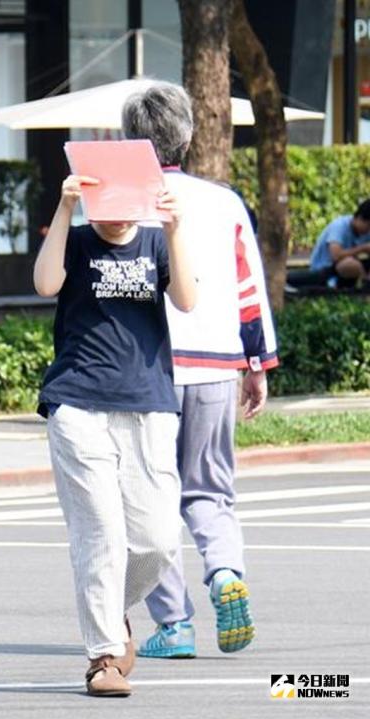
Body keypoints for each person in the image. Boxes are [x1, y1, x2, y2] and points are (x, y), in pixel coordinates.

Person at [121, 83, 279, 660]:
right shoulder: (225, 202)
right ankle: (225, 573)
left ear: (129, 139)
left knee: (150, 502)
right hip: (217, 363)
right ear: (187, 135)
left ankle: (175, 624)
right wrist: (256, 364)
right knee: (210, 492)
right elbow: (249, 289)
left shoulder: (121, 201)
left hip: (147, 370)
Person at [34, 170, 197, 697]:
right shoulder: (78, 241)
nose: (117, 210)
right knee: (101, 533)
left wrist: (174, 227)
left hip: (148, 404)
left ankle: (110, 610)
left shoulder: (154, 239)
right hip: (78, 404)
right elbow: (44, 284)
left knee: (158, 540)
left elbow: (189, 300)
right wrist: (64, 208)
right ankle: (103, 656)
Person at [308, 201, 370, 287]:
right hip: (325, 269)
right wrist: (362, 248)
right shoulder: (339, 226)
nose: (368, 231)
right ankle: (365, 284)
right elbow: (336, 256)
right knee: (350, 264)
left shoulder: (365, 232)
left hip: (347, 267)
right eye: (368, 226)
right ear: (359, 218)